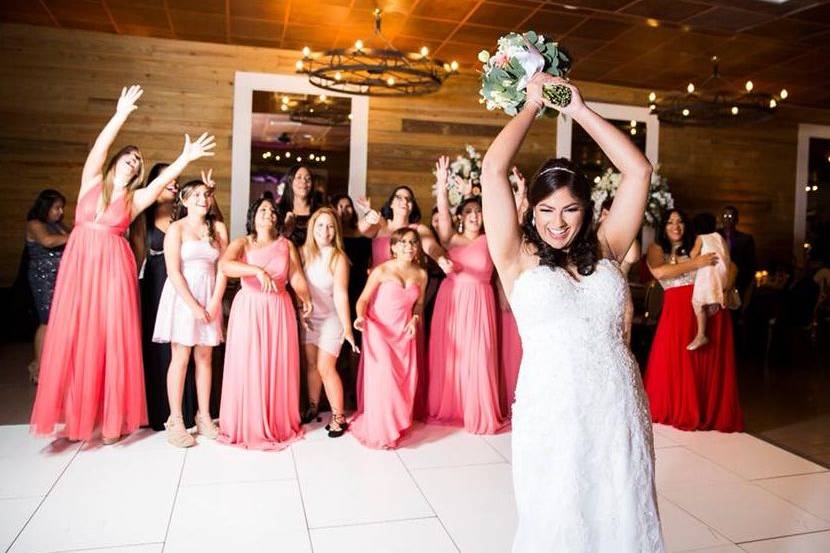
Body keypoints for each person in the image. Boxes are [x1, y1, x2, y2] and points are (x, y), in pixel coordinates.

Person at [481, 74, 664, 551]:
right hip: (552, 408)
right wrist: (531, 106)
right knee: (558, 515)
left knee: (623, 510)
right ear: (531, 212)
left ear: (587, 211)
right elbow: (492, 170)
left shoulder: (607, 247)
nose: (557, 223)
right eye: (545, 210)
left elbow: (639, 172)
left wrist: (579, 110)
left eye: (569, 210)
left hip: (617, 403)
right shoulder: (513, 255)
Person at [30, 85, 216, 444]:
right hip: (80, 266)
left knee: (109, 340)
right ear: (117, 161)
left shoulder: (133, 200)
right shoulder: (92, 182)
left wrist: (186, 157)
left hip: (113, 269)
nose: (132, 162)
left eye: (138, 161)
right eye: (128, 157)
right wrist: (121, 114)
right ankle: (77, 417)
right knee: (75, 338)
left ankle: (112, 420)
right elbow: (99, 150)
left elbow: (163, 181)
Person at [218, 194, 311, 450]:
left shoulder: (286, 244)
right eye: (262, 210)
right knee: (250, 363)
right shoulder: (242, 243)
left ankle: (277, 421)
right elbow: (225, 266)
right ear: (253, 217)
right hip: (249, 307)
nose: (268, 214)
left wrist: (305, 300)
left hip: (279, 308)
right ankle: (247, 422)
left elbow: (296, 276)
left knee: (276, 363)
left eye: (272, 211)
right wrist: (256, 271)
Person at [644, 208, 744, 433]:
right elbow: (660, 272)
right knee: (677, 361)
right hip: (677, 313)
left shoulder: (696, 244)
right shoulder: (655, 248)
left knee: (705, 361)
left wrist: (725, 285)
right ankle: (683, 410)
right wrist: (696, 263)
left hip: (707, 309)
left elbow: (731, 265)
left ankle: (709, 411)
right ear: (663, 226)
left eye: (680, 221)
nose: (675, 226)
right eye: (670, 222)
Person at [427, 156, 504, 434]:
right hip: (451, 301)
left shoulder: (491, 239)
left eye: (478, 212)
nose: (474, 216)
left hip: (481, 301)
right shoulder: (451, 239)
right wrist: (442, 184)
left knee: (479, 355)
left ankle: (477, 409)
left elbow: (511, 218)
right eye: (469, 212)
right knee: (452, 355)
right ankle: (454, 406)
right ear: (462, 217)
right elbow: (443, 217)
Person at [153, 180, 228, 447]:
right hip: (183, 297)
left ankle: (204, 416)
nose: (202, 199)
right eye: (196, 194)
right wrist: (194, 306)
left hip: (210, 294)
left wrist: (214, 302)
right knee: (181, 356)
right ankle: (175, 420)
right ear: (184, 200)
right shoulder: (176, 228)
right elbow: (173, 271)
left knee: (205, 355)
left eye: (206, 194)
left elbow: (223, 267)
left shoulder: (218, 227)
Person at [350, 227, 427, 449]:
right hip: (378, 329)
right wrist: (359, 317)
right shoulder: (381, 270)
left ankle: (394, 423)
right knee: (384, 377)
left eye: (413, 242)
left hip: (403, 333)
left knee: (402, 381)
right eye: (403, 242)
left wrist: (415, 319)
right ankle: (382, 432)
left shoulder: (421, 275)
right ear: (393, 247)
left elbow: (419, 304)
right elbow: (363, 300)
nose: (409, 246)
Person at [136, 163, 198, 431]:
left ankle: (186, 411)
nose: (174, 183)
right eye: (168, 179)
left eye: (176, 180)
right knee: (158, 351)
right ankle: (159, 410)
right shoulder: (143, 220)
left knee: (183, 349)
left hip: (182, 290)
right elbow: (138, 259)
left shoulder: (183, 219)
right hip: (153, 288)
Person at [301, 207, 359, 437]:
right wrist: (300, 312)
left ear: (336, 231)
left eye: (330, 226)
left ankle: (338, 416)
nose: (325, 231)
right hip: (309, 319)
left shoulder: (338, 257)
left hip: (332, 319)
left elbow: (341, 294)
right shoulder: (302, 252)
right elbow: (296, 286)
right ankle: (313, 406)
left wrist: (347, 328)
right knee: (312, 365)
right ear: (312, 228)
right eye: (320, 225)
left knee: (326, 368)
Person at [25, 189, 69, 383]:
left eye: (61, 208)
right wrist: (77, 236)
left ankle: (57, 366)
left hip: (61, 277)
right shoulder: (34, 224)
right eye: (56, 208)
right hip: (43, 278)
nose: (60, 212)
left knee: (61, 321)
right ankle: (38, 366)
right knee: (47, 320)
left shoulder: (58, 226)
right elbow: (48, 241)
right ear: (45, 207)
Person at [688, 213, 731, 351]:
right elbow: (727, 255)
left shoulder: (701, 238)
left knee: (698, 302)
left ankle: (701, 335)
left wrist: (693, 255)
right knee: (712, 297)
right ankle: (713, 306)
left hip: (708, 274)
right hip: (722, 274)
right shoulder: (720, 237)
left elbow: (693, 255)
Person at [279, 164, 322, 247]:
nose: (304, 181)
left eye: (308, 178)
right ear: (290, 182)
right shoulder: (278, 210)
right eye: (299, 177)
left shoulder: (320, 211)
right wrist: (285, 231)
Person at [719, 205, 756, 299]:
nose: (727, 219)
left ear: (736, 219)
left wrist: (744, 283)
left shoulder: (745, 239)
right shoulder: (714, 236)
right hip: (718, 281)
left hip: (738, 282)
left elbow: (751, 264)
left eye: (730, 217)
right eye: (725, 216)